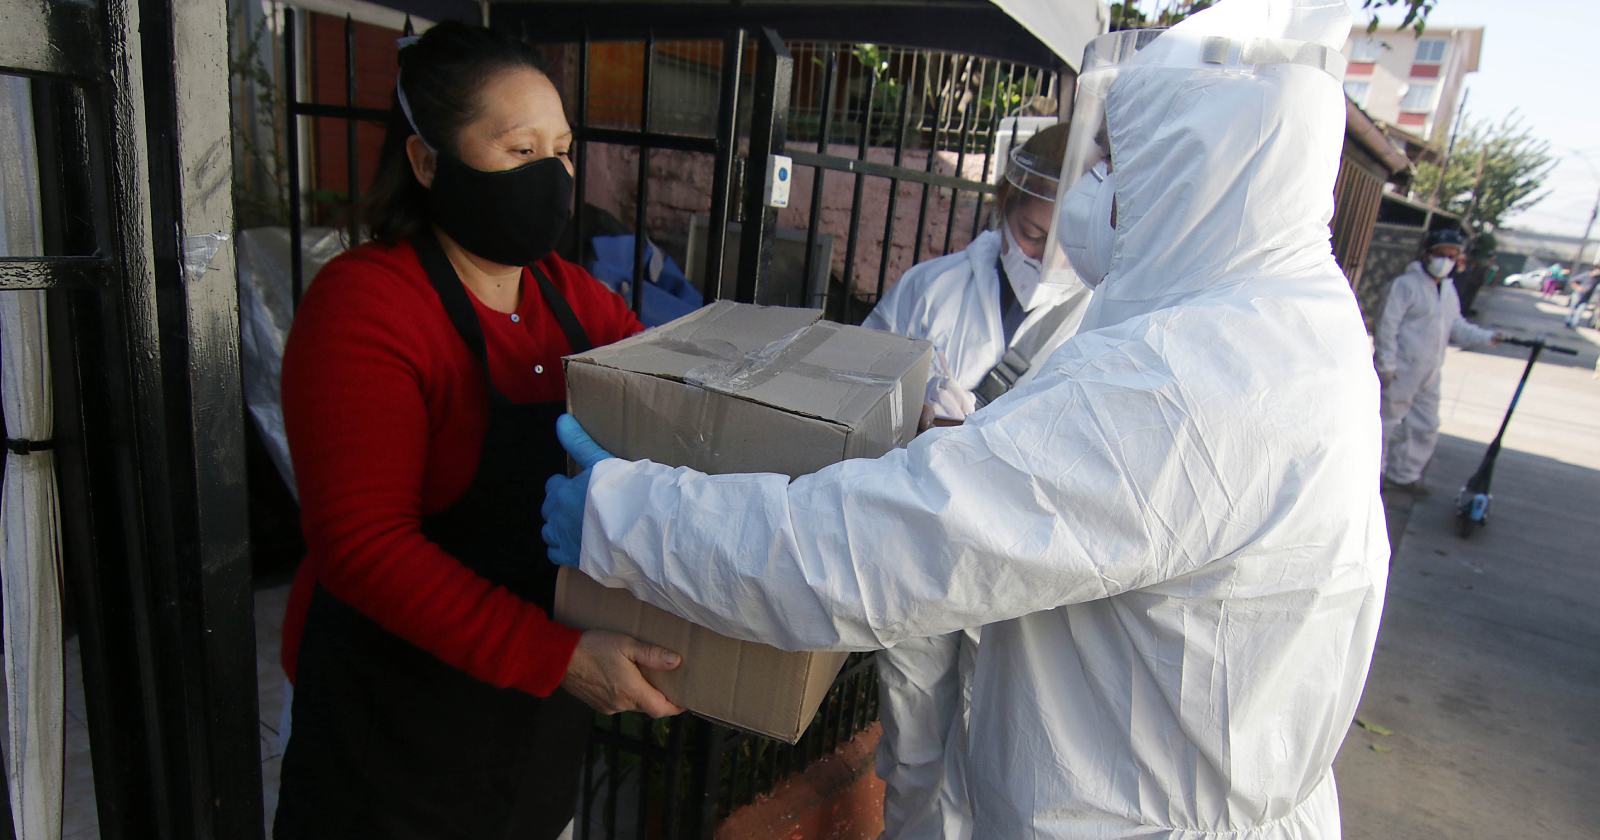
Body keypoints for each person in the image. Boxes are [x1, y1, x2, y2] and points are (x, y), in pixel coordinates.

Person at [544, 1, 1389, 837]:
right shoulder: (1291, 321)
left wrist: (624, 518)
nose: (1090, 195)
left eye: (1110, 164)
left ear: (1187, 170)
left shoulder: (1190, 375)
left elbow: (866, 551)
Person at [273, 23, 682, 839]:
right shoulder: (366, 305)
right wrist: (555, 656)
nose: (552, 176)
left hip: (533, 719)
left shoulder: (580, 302)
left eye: (562, 151)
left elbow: (677, 400)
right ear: (429, 163)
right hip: (392, 727)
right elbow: (363, 546)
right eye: (519, 149)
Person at [859, 122, 1091, 839]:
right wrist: (912, 422)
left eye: (1066, 241)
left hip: (1026, 575)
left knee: (1011, 757)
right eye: (1030, 233)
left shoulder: (1108, 318)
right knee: (915, 744)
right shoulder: (931, 289)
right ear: (1003, 204)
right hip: (922, 555)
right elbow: (860, 388)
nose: (1046, 259)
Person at [1375, 227, 1501, 495]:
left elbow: (1456, 326)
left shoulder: (1448, 291)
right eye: (1441, 254)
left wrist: (1488, 338)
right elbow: (1387, 325)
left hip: (1430, 372)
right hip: (1402, 369)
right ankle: (1375, 474)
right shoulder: (1405, 286)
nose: (1446, 260)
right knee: (1386, 422)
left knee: (1426, 425)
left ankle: (1404, 474)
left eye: (1452, 256)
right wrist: (1386, 363)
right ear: (1427, 254)